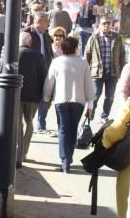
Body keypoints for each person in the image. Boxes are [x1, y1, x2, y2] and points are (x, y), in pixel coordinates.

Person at [43, 36, 95, 173]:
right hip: (79, 101)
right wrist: (91, 104)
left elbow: (49, 82)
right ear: (75, 48)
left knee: (63, 129)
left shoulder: (56, 62)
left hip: (61, 100)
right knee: (73, 129)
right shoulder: (83, 63)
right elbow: (89, 85)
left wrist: (46, 98)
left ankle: (65, 161)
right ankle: (68, 159)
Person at [84, 17, 126, 122]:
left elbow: (122, 55)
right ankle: (90, 114)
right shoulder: (94, 37)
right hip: (97, 72)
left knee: (110, 96)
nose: (106, 25)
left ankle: (104, 116)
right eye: (104, 23)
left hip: (112, 72)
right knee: (95, 94)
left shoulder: (117, 38)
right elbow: (87, 54)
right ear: (99, 25)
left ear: (111, 25)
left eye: (108, 23)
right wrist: (86, 70)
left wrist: (122, 71)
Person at [16, 32, 47, 168]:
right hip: (33, 96)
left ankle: (17, 152)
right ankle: (24, 152)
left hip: (16, 95)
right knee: (29, 123)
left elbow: (2, 73)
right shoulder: (38, 56)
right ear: (29, 42)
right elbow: (43, 76)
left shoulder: (12, 54)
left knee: (17, 124)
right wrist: (44, 96)